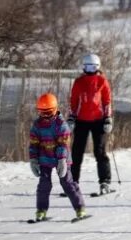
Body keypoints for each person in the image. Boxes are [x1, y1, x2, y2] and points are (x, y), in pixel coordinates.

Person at [28, 93, 87, 223]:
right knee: (44, 184)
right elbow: (34, 143)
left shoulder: (61, 125)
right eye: (42, 113)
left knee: (67, 182)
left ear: (54, 110)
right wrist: (33, 159)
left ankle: (80, 208)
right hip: (44, 158)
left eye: (48, 113)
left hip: (62, 159)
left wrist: (62, 160)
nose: (45, 116)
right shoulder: (37, 125)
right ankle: (41, 210)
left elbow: (63, 144)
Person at [69, 52, 113, 195]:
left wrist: (108, 118)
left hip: (98, 121)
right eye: (87, 67)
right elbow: (74, 101)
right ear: (83, 67)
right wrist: (72, 117)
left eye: (93, 67)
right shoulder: (79, 82)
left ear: (98, 67)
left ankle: (104, 182)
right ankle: (72, 182)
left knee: (99, 151)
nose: (90, 70)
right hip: (81, 120)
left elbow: (106, 101)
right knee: (76, 152)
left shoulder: (102, 81)